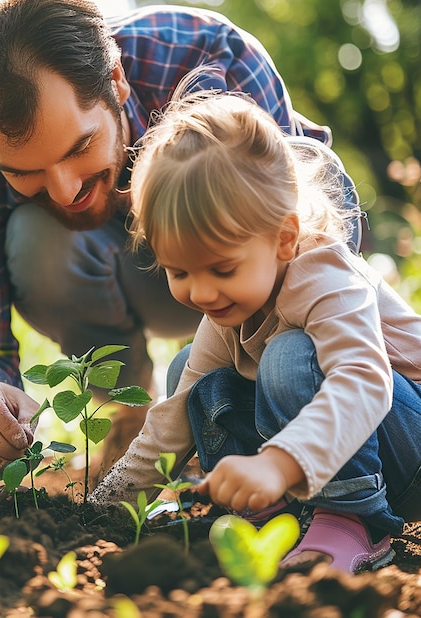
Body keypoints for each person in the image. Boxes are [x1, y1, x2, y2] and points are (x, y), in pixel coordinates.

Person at [0, 0, 350, 482]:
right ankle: (134, 414)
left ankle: (248, 420)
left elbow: (294, 241)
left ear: (116, 82)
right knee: (35, 237)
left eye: (80, 146)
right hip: (121, 277)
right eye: (25, 173)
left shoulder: (208, 59)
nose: (64, 192)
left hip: (253, 271)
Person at [89, 88, 421, 574]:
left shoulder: (325, 277)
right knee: (194, 374)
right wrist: (102, 504)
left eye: (221, 269)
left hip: (403, 446)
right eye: (179, 272)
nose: (201, 294)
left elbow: (363, 382)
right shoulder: (228, 308)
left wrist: (278, 463)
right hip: (325, 452)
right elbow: (174, 417)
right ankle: (273, 516)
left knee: (288, 357)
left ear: (284, 238)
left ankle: (351, 520)